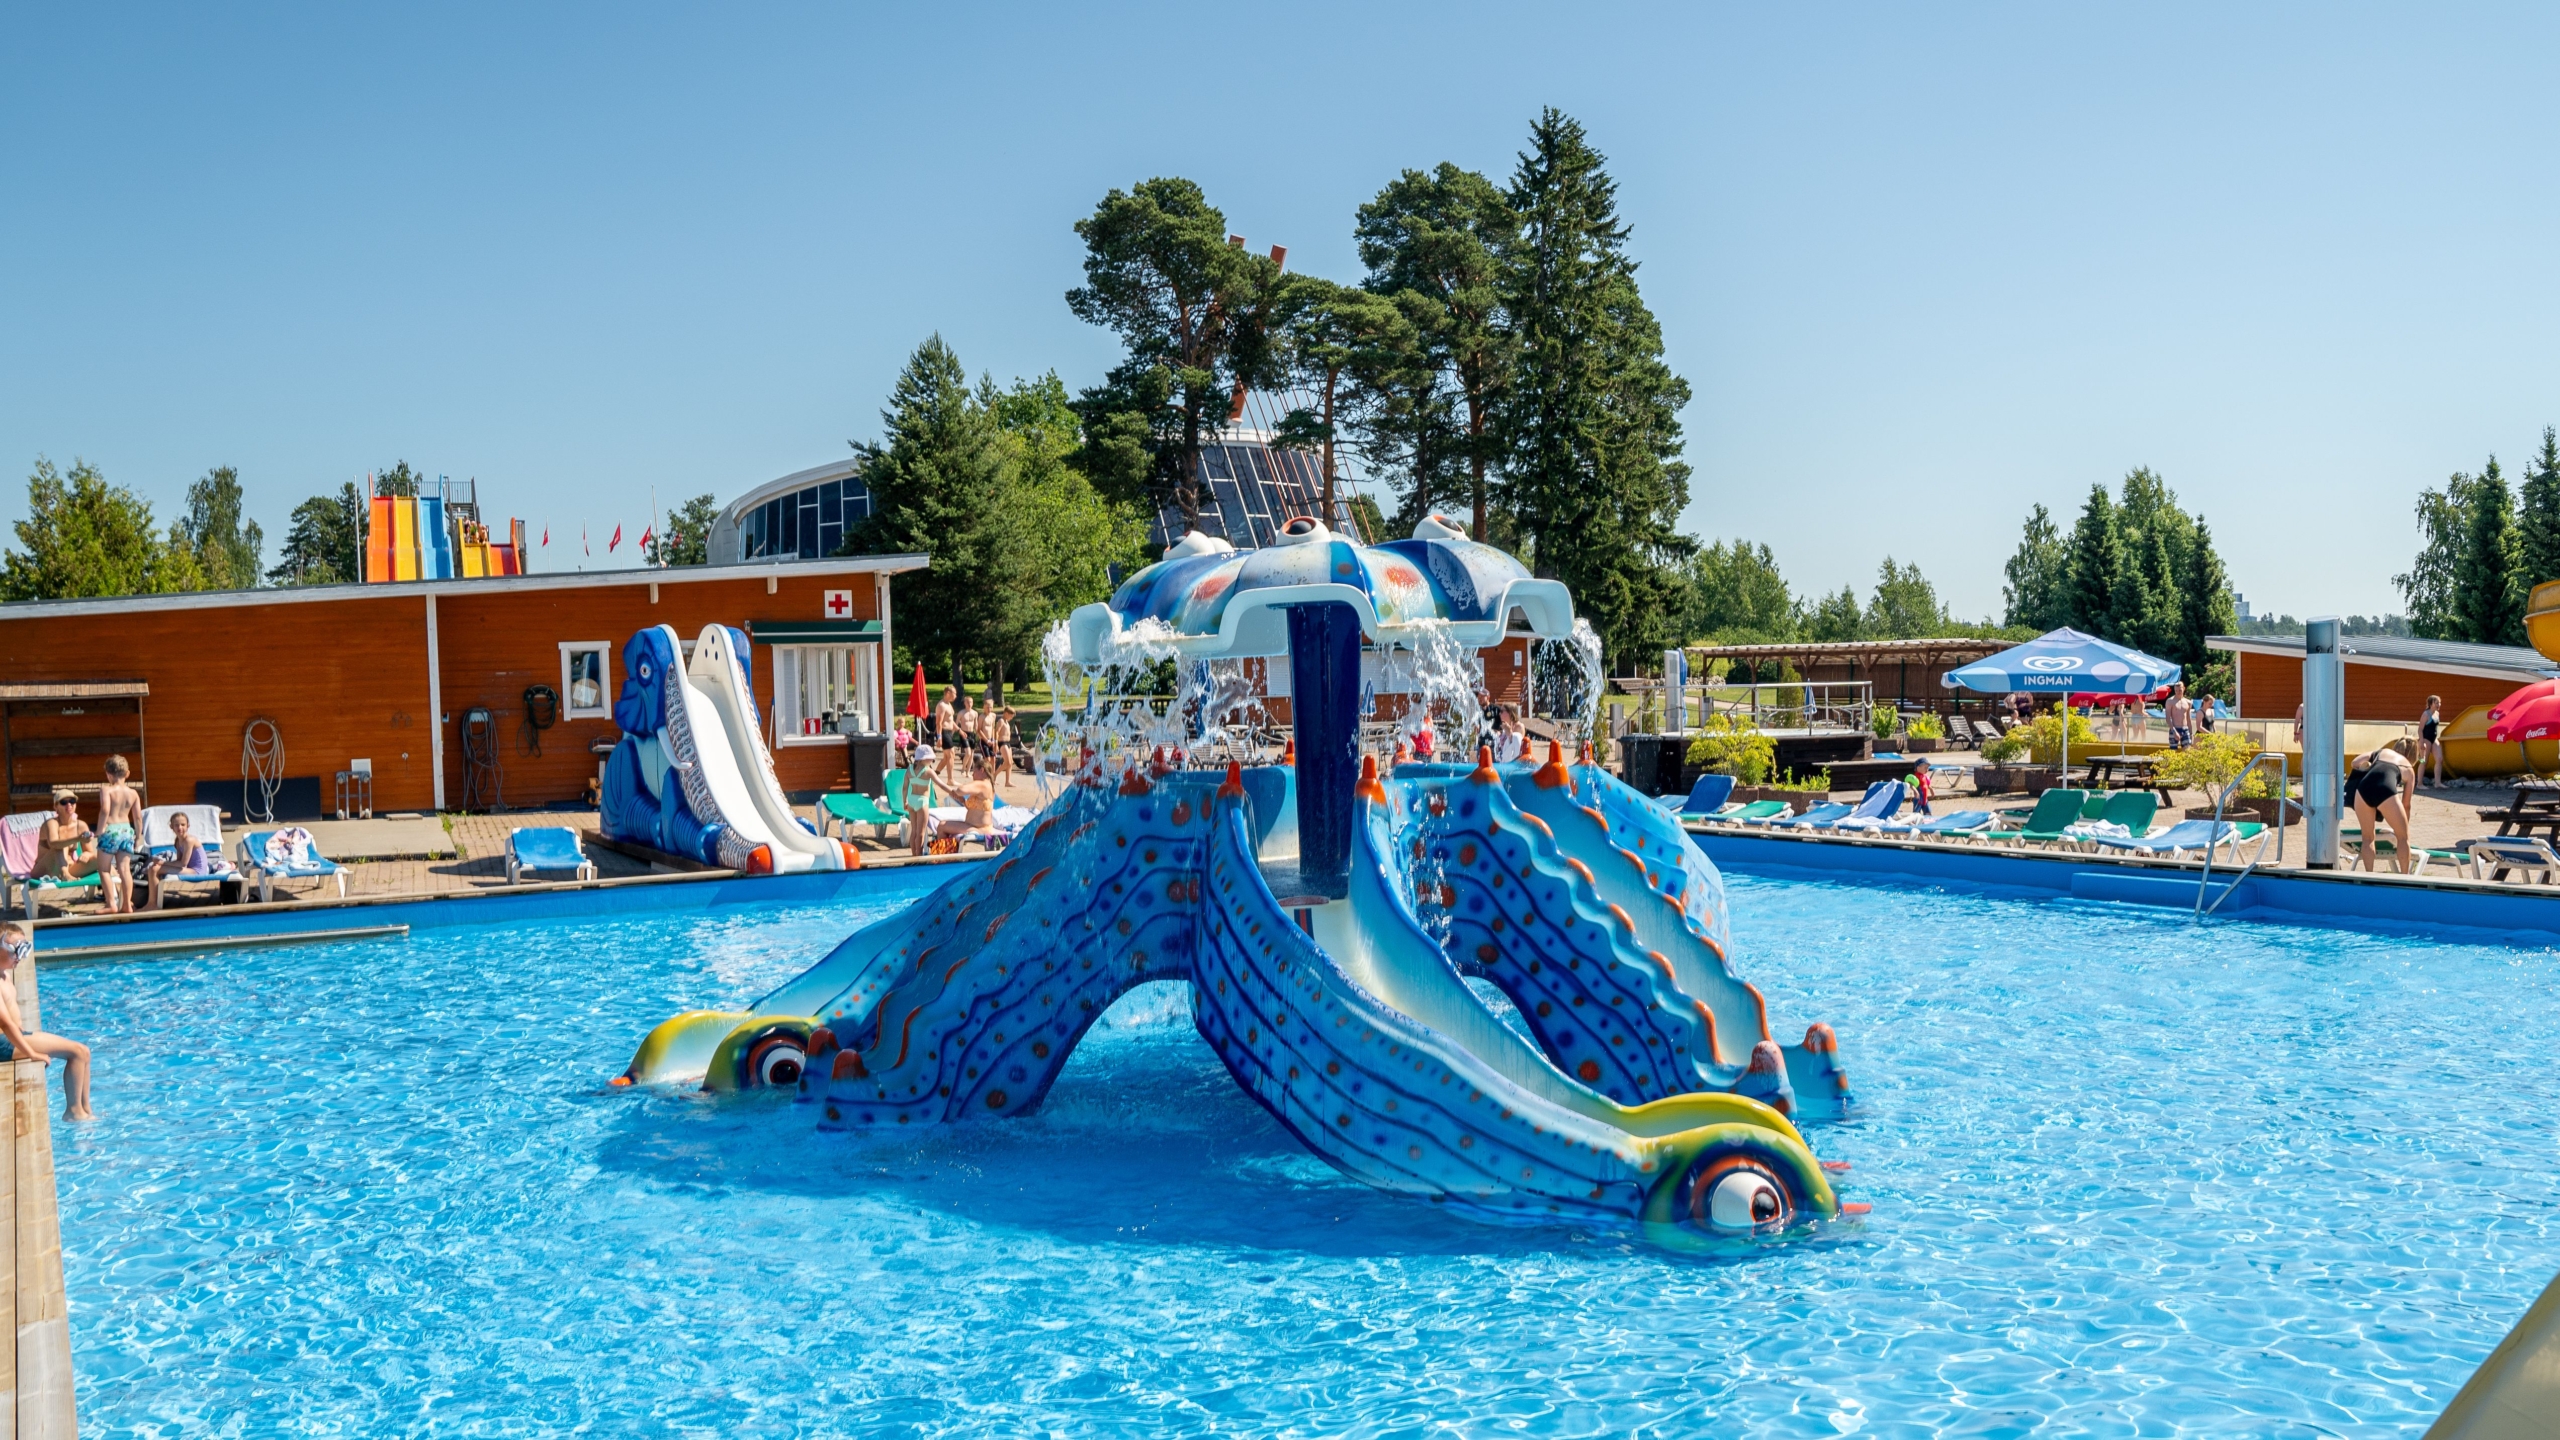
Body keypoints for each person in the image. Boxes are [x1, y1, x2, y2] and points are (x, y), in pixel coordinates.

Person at [0, 924, 96, 1120]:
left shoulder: (5, 974)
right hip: (3, 1043)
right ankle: (74, 1112)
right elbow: (6, 1024)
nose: (19, 957)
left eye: (23, 950)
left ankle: (86, 1110)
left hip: (11, 1038)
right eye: (15, 951)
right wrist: (32, 1053)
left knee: (84, 1052)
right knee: (77, 1052)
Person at [2346, 738, 2421, 875]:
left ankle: (2369, 876)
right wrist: (2403, 825)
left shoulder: (2382, 752)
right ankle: (2405, 877)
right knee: (2403, 838)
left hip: (2363, 788)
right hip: (2385, 788)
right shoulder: (2409, 769)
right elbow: (2406, 804)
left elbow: (2355, 762)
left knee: (2367, 839)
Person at [916, 753, 998, 855]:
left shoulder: (982, 784)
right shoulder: (987, 785)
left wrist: (956, 791)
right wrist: (963, 801)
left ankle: (943, 857)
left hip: (980, 829)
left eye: (974, 771)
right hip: (976, 826)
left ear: (981, 770)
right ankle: (947, 854)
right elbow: (976, 809)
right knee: (943, 824)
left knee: (941, 826)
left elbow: (961, 790)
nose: (972, 775)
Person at [143, 810, 224, 911]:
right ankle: (152, 902)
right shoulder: (178, 841)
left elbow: (183, 863)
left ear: (188, 826)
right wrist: (160, 864)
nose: (180, 828)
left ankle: (152, 904)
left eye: (183, 825)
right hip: (189, 869)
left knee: (155, 869)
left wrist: (162, 863)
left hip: (197, 871)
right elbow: (178, 861)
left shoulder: (189, 840)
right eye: (176, 825)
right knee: (153, 868)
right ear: (171, 827)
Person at [94, 755, 142, 914]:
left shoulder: (106, 790)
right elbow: (138, 817)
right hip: (127, 830)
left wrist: (100, 830)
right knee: (125, 870)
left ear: (108, 774)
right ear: (127, 773)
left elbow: (105, 810)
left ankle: (111, 904)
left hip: (111, 830)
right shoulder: (133, 793)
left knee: (104, 870)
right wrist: (138, 836)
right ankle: (127, 904)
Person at [35, 790, 97, 885]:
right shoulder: (51, 823)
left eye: (72, 801)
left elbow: (89, 851)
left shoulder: (80, 825)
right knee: (61, 844)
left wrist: (86, 855)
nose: (69, 805)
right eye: (63, 802)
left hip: (70, 868)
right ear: (56, 806)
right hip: (44, 870)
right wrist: (77, 838)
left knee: (100, 859)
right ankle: (64, 874)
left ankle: (114, 889)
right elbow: (54, 843)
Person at [2418, 694, 2446, 788]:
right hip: (2425, 739)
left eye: (2439, 703)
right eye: (2436, 703)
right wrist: (2421, 742)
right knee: (2423, 761)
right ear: (2431, 704)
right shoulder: (2426, 714)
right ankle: (2419, 784)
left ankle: (2437, 783)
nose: (2439, 705)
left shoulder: (2437, 713)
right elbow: (2420, 729)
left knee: (2439, 759)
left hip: (2434, 739)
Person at [2164, 683, 2193, 750]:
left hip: (2185, 728)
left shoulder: (2188, 702)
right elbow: (2168, 718)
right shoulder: (2170, 701)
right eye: (2176, 690)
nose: (2178, 692)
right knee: (2173, 751)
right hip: (2174, 728)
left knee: (2187, 750)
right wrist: (2174, 731)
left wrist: (2191, 733)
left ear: (2184, 689)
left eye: (2180, 690)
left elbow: (2188, 718)